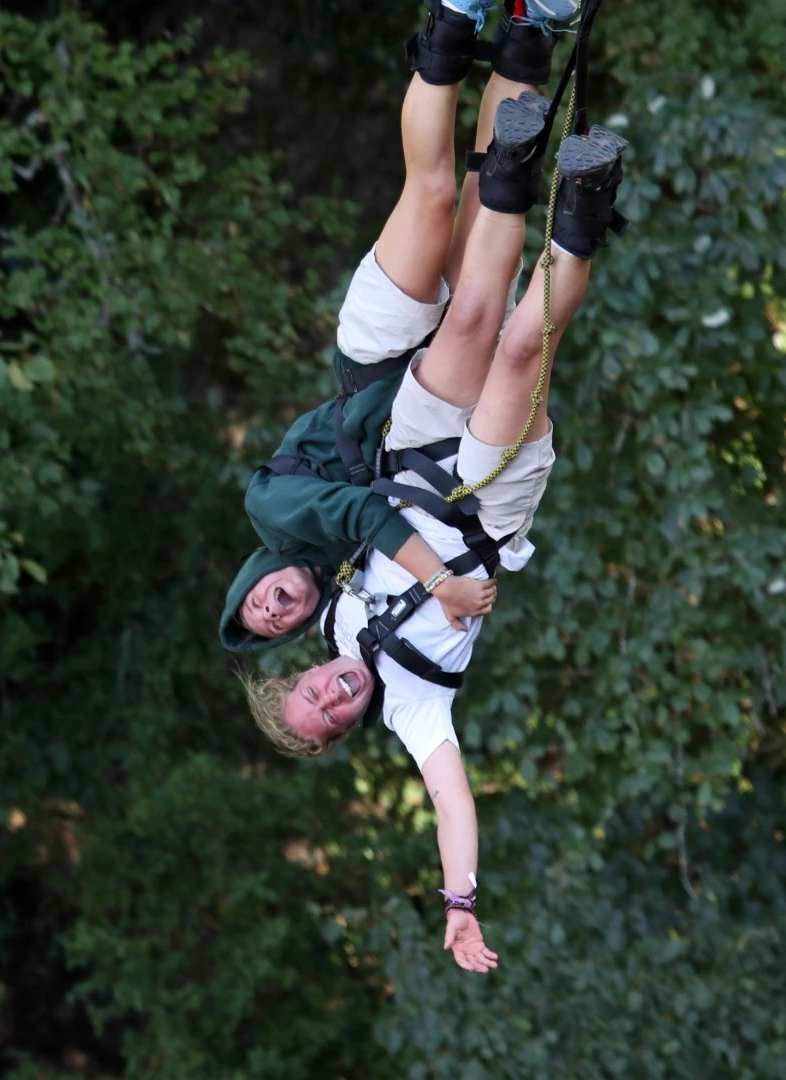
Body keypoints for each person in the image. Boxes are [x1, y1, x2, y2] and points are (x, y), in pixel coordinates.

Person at [242, 1, 629, 974]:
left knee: (464, 327)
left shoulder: (326, 615)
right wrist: (460, 902)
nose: (334, 694)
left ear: (303, 672)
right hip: (488, 510)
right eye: (332, 714)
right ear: (345, 731)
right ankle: (578, 220)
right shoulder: (418, 710)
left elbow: (327, 519)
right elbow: (453, 802)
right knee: (515, 354)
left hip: (413, 458)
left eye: (312, 695)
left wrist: (289, 590)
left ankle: (510, 165)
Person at [217, 0, 589, 658]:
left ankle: (453, 17)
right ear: (302, 622)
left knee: (434, 193)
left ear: (251, 578)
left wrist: (438, 581)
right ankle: (532, 23)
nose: (272, 608)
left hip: (376, 354)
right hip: (439, 384)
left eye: (256, 602)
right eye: (277, 623)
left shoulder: (270, 514)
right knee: (492, 184)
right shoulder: (359, 578)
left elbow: (363, 509)